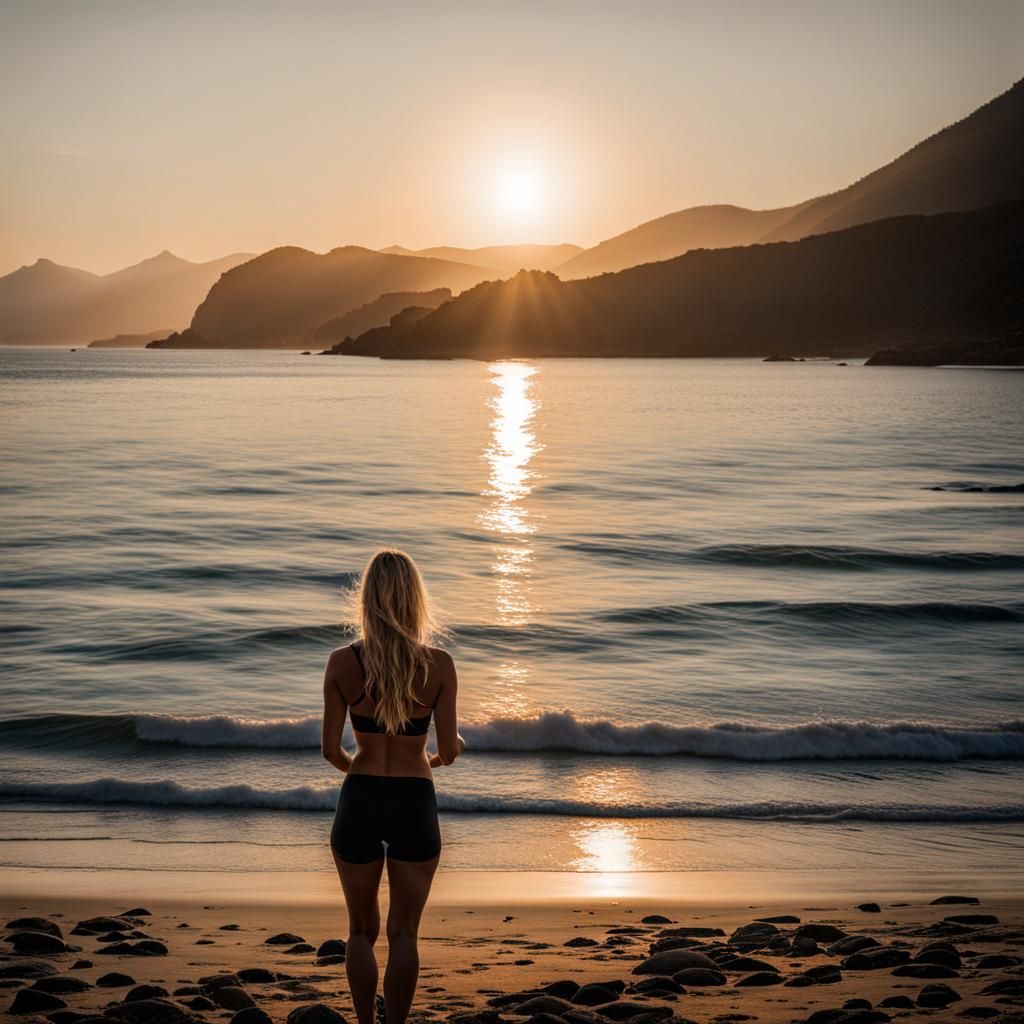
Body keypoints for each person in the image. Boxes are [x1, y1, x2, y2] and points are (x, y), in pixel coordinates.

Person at [322, 549, 465, 1024]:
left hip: (360, 797)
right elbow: (445, 750)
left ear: (366, 599)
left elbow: (330, 751)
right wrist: (441, 755)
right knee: (405, 932)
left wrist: (358, 773)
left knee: (361, 930)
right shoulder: (439, 665)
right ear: (414, 599)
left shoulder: (342, 663)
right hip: (413, 801)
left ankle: (366, 1021)